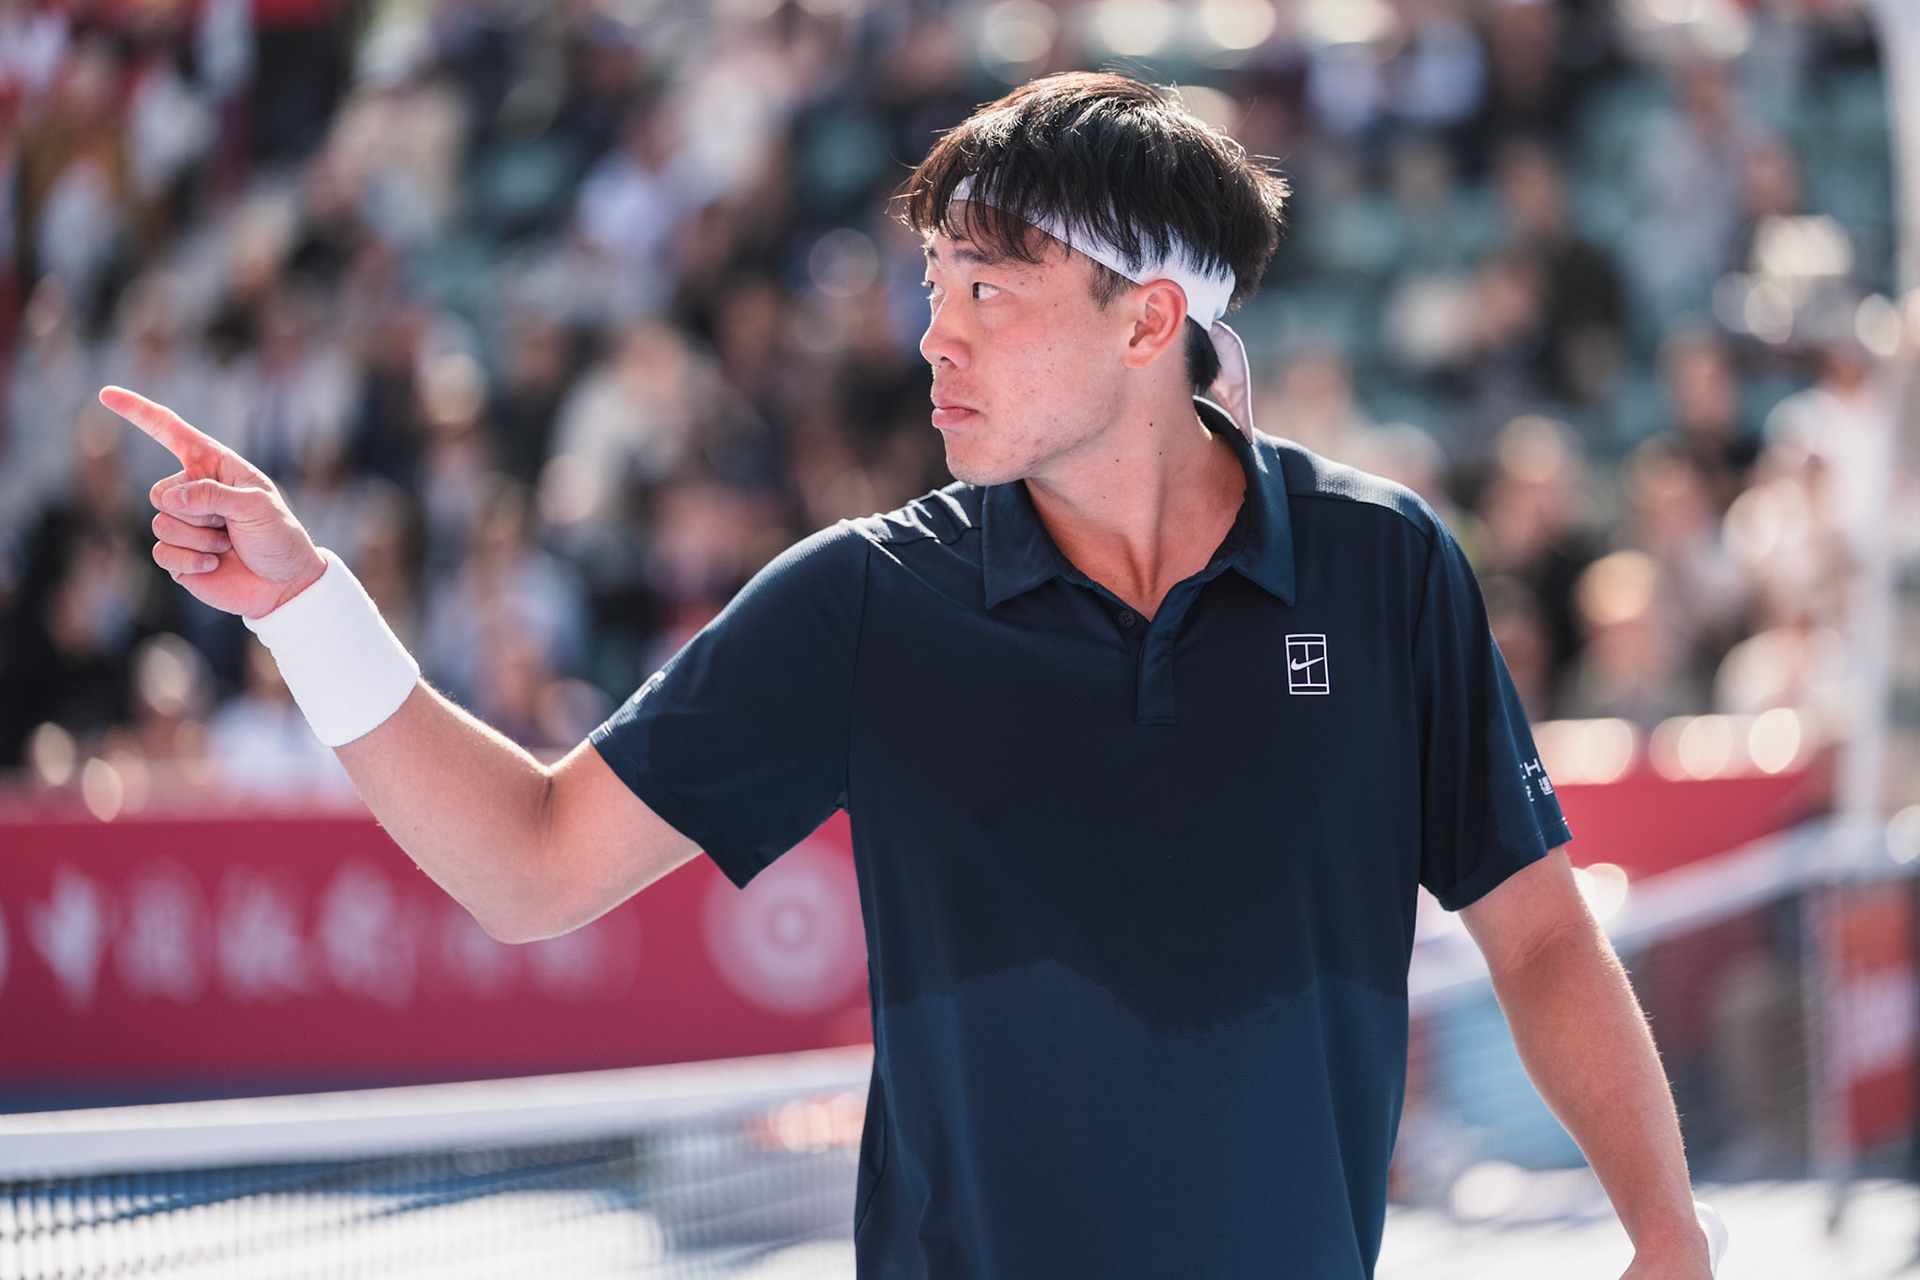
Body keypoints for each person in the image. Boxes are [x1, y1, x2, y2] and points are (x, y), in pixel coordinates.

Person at [105, 72, 1715, 1280]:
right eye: (932, 290)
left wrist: (1665, 1232)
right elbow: (530, 869)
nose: (930, 338)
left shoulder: (1388, 572)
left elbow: (1541, 935)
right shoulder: (865, 602)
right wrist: (305, 604)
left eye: (987, 297)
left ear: (1148, 319)